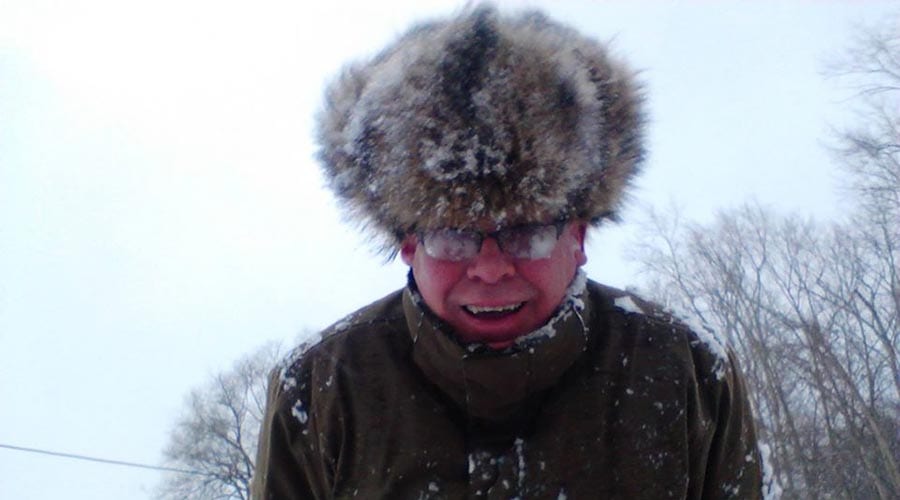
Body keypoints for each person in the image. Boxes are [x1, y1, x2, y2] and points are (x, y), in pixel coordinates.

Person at [252, 5, 765, 499]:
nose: (491, 269)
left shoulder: (688, 374)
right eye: (453, 234)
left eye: (527, 232)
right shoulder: (319, 391)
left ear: (579, 235)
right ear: (408, 243)